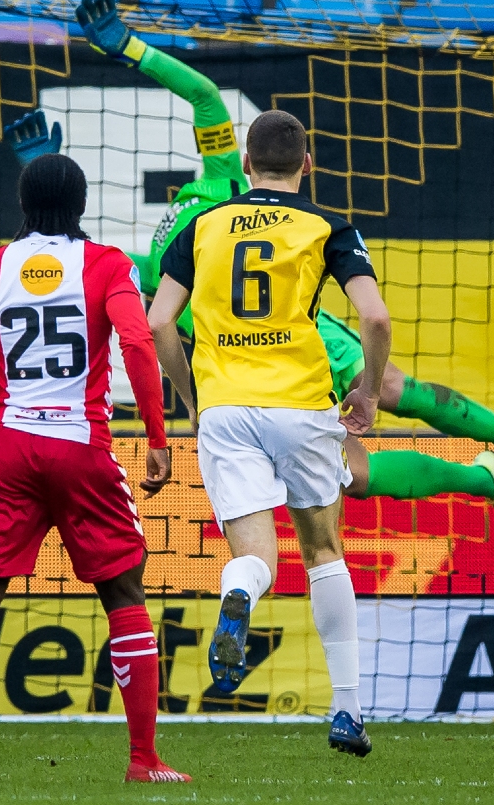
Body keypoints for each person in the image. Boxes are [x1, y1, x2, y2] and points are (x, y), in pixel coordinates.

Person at [19, 0, 494, 519]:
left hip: (303, 336)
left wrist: (132, 49)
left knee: (395, 390)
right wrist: (43, 179)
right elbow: (80, 255)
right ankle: (486, 480)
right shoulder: (159, 260)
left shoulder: (222, 187)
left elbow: (202, 95)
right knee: (359, 476)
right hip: (251, 373)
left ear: (247, 166)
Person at [0, 152, 190, 784]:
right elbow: (139, 342)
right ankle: (143, 761)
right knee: (124, 591)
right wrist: (156, 436)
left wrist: (7, 378)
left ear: (22, 205)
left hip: (9, 448)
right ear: (81, 204)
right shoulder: (107, 265)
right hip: (81, 448)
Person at [147, 108, 394, 757]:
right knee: (323, 551)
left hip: (227, 408)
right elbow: (374, 315)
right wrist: (366, 391)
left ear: (247, 166)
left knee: (256, 556)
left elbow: (158, 322)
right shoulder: (326, 226)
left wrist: (190, 397)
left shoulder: (202, 224)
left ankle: (237, 591)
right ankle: (347, 711)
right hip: (303, 407)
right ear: (306, 166)